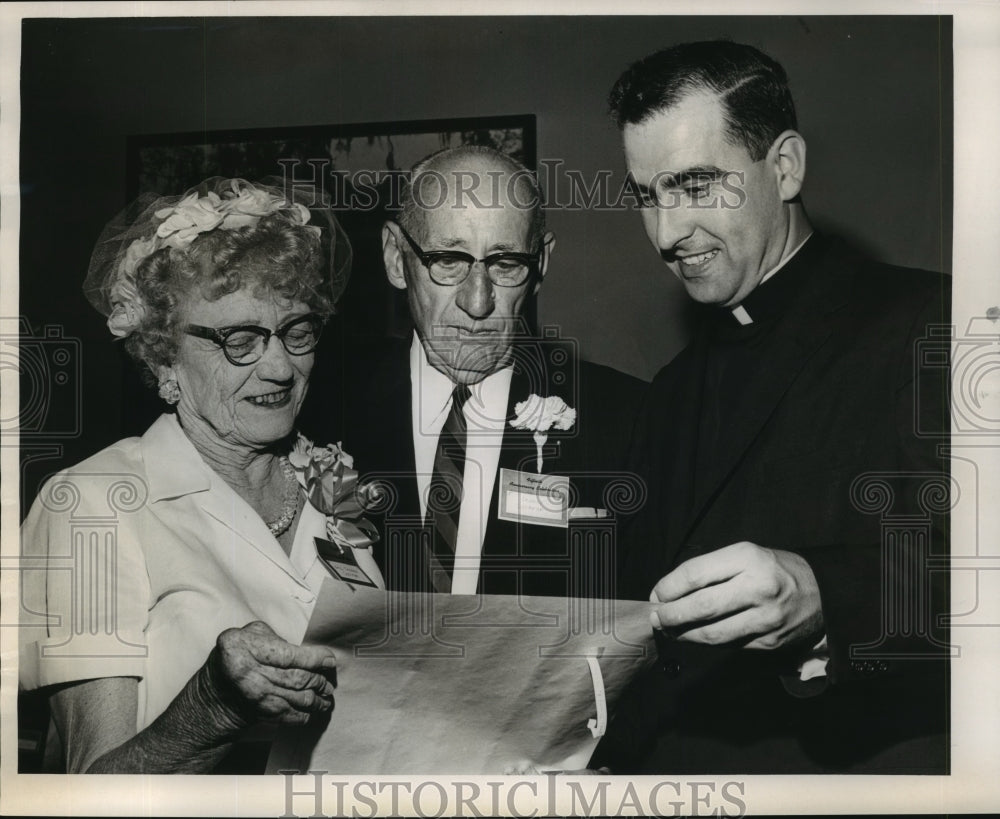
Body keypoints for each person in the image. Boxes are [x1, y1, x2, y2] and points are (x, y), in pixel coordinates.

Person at [589, 41, 951, 773]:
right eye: (648, 195)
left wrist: (829, 599)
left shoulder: (934, 323)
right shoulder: (667, 391)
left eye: (694, 187)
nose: (665, 234)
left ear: (785, 166)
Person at [18, 177, 382, 773]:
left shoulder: (330, 489)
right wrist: (212, 706)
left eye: (297, 331)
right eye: (240, 340)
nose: (279, 367)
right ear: (164, 357)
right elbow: (87, 794)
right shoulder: (89, 504)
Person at [301, 145, 647, 597]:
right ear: (395, 256)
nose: (477, 302)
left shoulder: (627, 417)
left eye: (506, 264)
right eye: (448, 261)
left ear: (540, 263)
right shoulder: (320, 404)